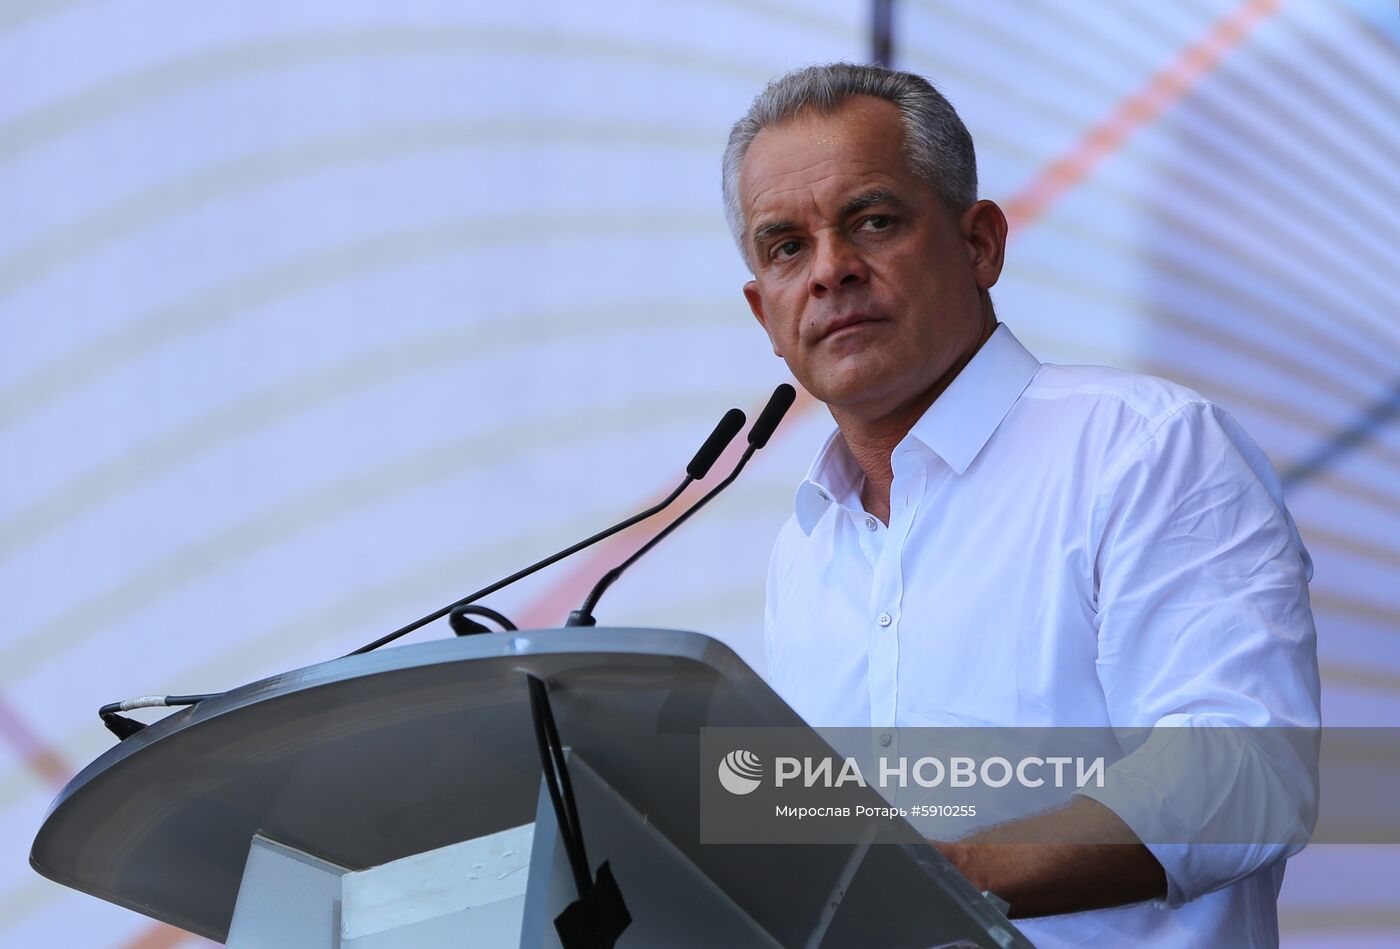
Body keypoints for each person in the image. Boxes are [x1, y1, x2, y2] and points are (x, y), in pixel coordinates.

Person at [724, 63, 1320, 947]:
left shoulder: (1143, 449)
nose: (830, 271)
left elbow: (1247, 771)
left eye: (873, 221)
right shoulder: (806, 546)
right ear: (763, 314)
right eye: (785, 247)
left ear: (980, 245)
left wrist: (946, 877)